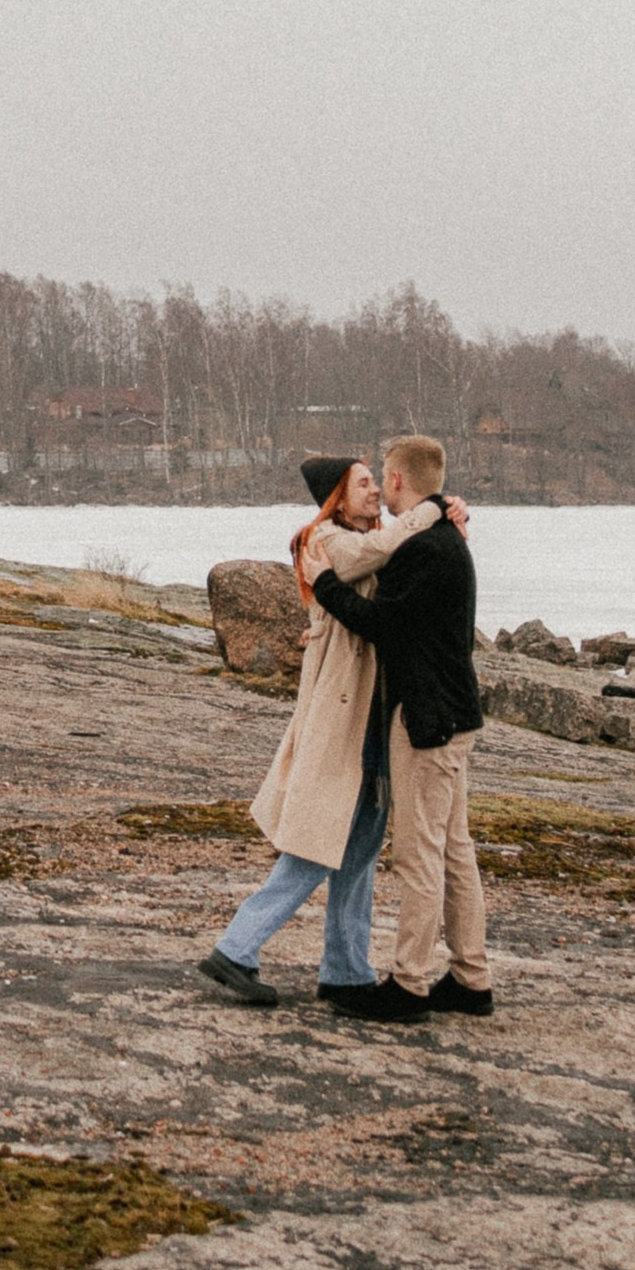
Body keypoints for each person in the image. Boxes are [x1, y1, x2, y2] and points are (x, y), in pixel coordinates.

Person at [199, 452, 459, 1009]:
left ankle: (345, 969)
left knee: (360, 845)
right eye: (362, 485)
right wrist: (432, 509)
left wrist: (446, 516)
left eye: (374, 483)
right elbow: (377, 553)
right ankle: (237, 948)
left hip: (368, 715)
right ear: (337, 497)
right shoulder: (324, 541)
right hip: (343, 717)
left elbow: (404, 564)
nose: (374, 492)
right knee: (321, 842)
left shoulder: (371, 536)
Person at [310, 435, 492, 1023]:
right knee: (455, 851)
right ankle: (469, 977)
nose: (380, 488)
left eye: (382, 477)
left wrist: (325, 587)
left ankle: (410, 983)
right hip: (453, 714)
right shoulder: (443, 540)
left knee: (421, 854)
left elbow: (380, 624)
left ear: (396, 481)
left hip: (428, 722)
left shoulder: (425, 550)